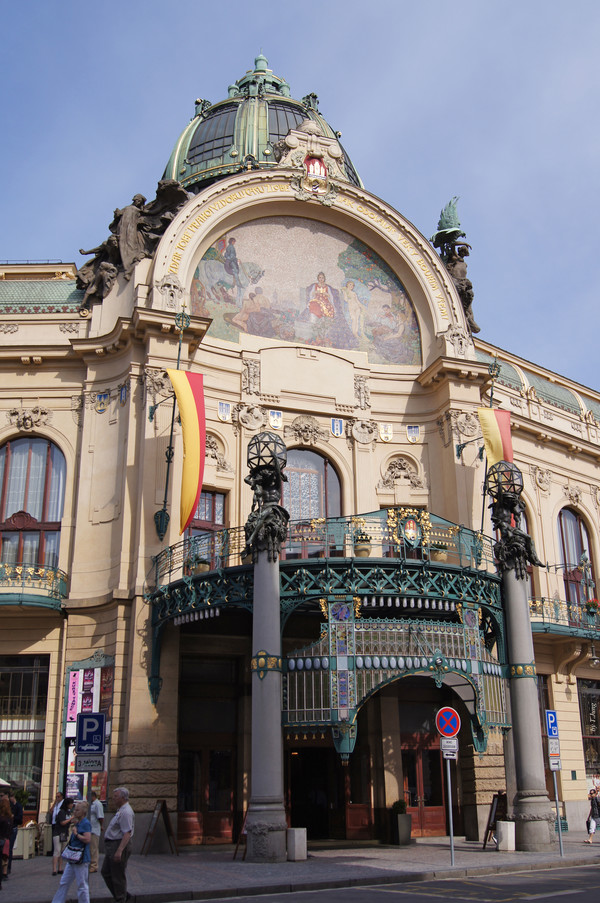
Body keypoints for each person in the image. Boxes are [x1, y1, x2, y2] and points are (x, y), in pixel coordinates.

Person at [51, 800, 91, 903]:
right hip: (72, 857)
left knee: (82, 884)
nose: (75, 811)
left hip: (81, 858)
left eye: (77, 810)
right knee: (64, 882)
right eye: (75, 809)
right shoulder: (78, 822)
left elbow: (87, 839)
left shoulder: (85, 823)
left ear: (83, 812)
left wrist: (76, 834)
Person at [101, 787, 134, 903]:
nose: (113, 798)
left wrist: (119, 850)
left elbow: (127, 833)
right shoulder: (120, 810)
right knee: (106, 872)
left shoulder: (126, 812)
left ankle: (121, 899)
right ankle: (123, 894)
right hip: (112, 845)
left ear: (123, 798)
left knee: (117, 875)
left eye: (115, 796)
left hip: (118, 845)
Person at [53, 797, 74, 876]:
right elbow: (62, 822)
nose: (72, 805)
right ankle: (54, 869)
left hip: (64, 833)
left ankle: (60, 868)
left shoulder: (68, 813)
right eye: (71, 803)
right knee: (57, 851)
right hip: (58, 833)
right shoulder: (61, 812)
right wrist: (70, 819)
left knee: (62, 851)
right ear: (67, 804)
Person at [7, 789, 23, 875]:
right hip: (6, 828)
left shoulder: (18, 806)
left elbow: (20, 820)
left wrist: (13, 817)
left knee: (9, 848)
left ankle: (8, 868)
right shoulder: (7, 805)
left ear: (12, 797)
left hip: (13, 828)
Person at [89, 791, 104, 873]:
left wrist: (101, 825)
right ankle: (90, 864)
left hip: (94, 829)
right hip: (90, 829)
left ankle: (94, 865)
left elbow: (100, 817)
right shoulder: (91, 804)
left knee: (93, 848)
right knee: (90, 848)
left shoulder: (97, 804)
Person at [0, 796, 13, 888]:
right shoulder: (10, 818)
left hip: (1, 839)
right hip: (6, 840)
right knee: (4, 859)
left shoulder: (1, 818)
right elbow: (10, 831)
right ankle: (3, 875)